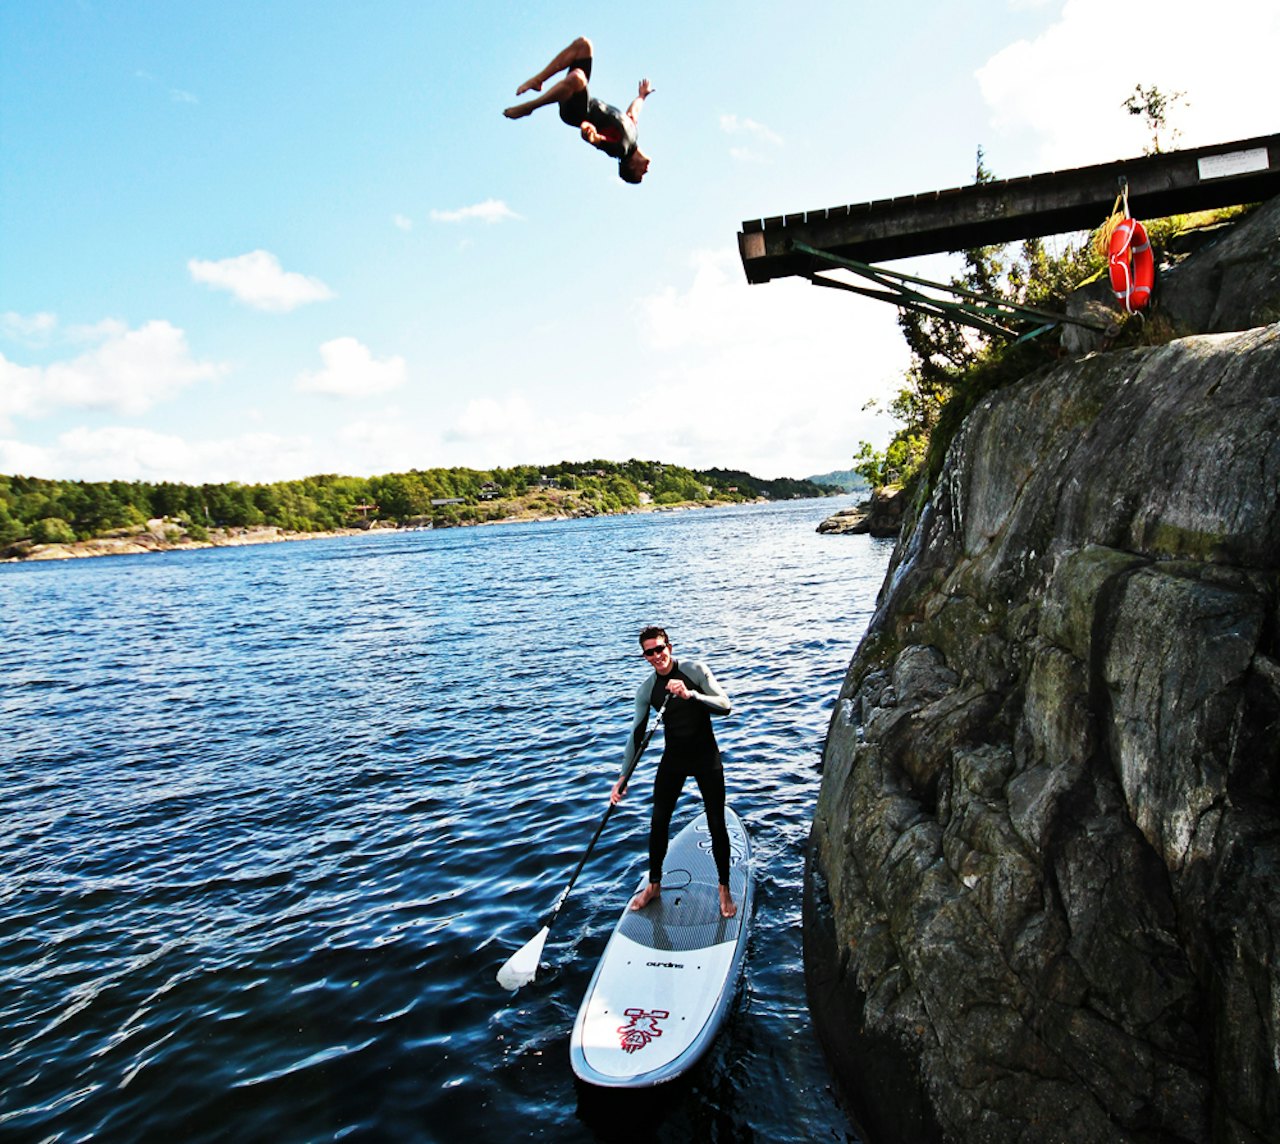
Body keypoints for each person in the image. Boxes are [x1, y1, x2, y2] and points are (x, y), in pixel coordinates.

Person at [610, 626, 737, 918]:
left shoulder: (694, 670)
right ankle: (654, 885)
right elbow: (636, 734)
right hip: (674, 759)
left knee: (716, 822)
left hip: (706, 757)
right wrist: (622, 776)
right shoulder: (647, 690)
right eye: (649, 652)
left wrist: (691, 695)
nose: (657, 656)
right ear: (644, 656)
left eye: (660, 649)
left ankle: (723, 887)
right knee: (658, 822)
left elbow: (725, 705)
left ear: (669, 646)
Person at [503, 36, 653, 184]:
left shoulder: (619, 149)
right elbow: (632, 113)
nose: (646, 171)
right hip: (584, 100)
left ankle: (530, 107)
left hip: (576, 113)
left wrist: (590, 133)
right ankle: (538, 80)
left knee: (578, 78)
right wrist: (642, 96)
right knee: (583, 45)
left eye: (641, 174)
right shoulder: (633, 134)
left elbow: (597, 139)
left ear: (631, 166)